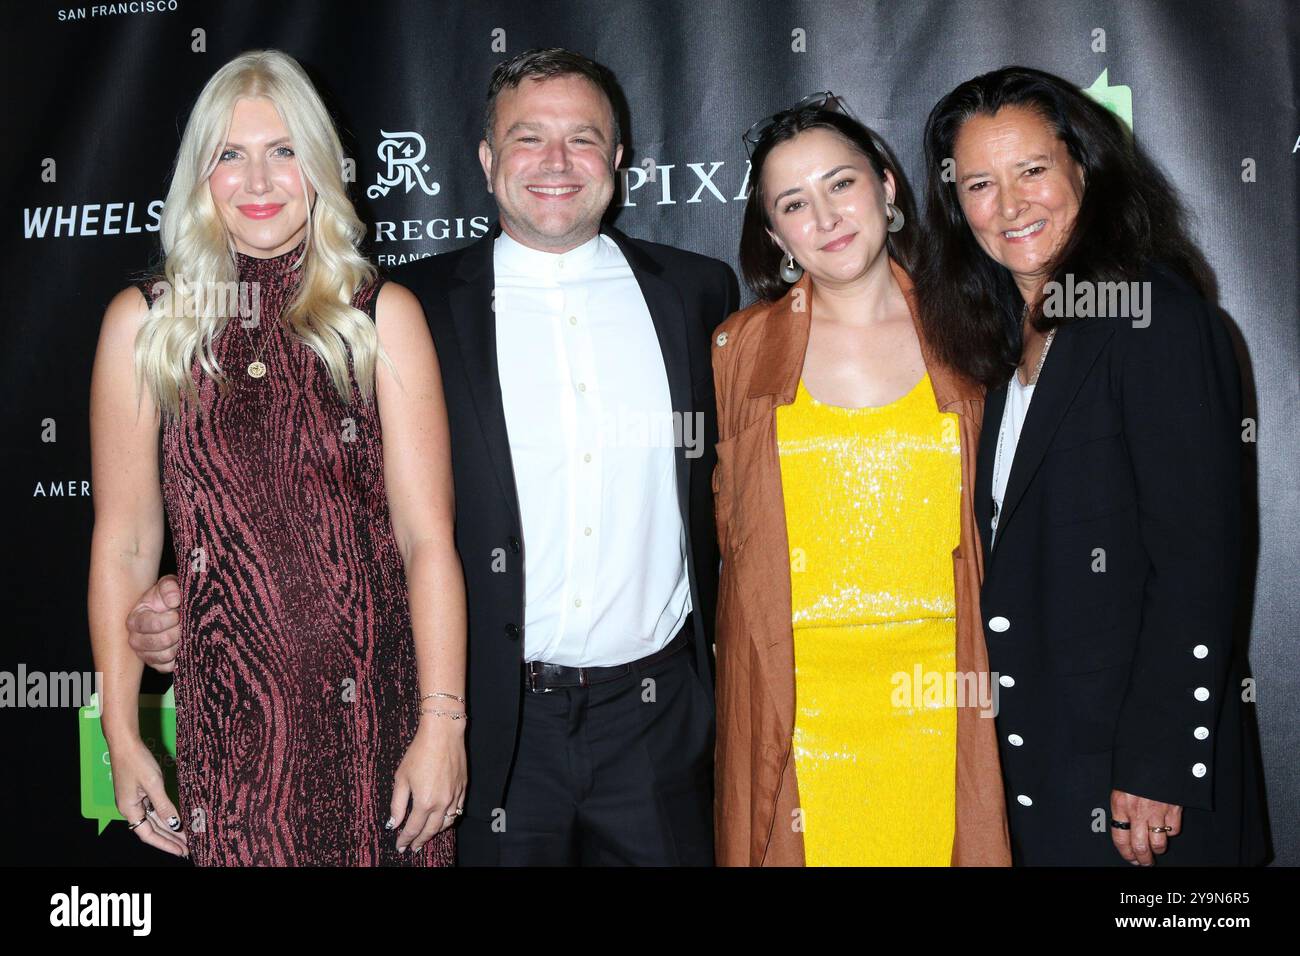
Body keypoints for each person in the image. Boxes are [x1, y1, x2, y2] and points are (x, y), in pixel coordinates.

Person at [126, 47, 737, 866]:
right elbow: (300, 481)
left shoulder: (697, 293)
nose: (555, 163)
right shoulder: (404, 308)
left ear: (619, 162)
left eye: (583, 139)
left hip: (661, 720)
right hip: (489, 719)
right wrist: (192, 589)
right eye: (527, 139)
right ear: (486, 161)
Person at [89, 49, 465, 866]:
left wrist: (442, 724)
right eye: (231, 155)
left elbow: (427, 540)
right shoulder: (145, 325)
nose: (258, 181)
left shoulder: (380, 316)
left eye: (283, 150)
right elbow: (122, 543)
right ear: (201, 176)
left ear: (320, 167)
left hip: (383, 732)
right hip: (232, 747)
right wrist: (122, 736)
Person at [916, 65, 1270, 865]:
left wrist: (1158, 766)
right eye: (979, 183)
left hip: (1138, 794)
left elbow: (1198, 564)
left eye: (1033, 170)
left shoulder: (1156, 319)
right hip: (1041, 767)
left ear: (1086, 167)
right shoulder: (1000, 342)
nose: (1009, 206)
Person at [710, 94, 1011, 866]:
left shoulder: (977, 328)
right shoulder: (738, 351)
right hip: (800, 712)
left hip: (948, 706)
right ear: (775, 234)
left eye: (840, 184)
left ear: (886, 188)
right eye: (794, 203)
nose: (826, 216)